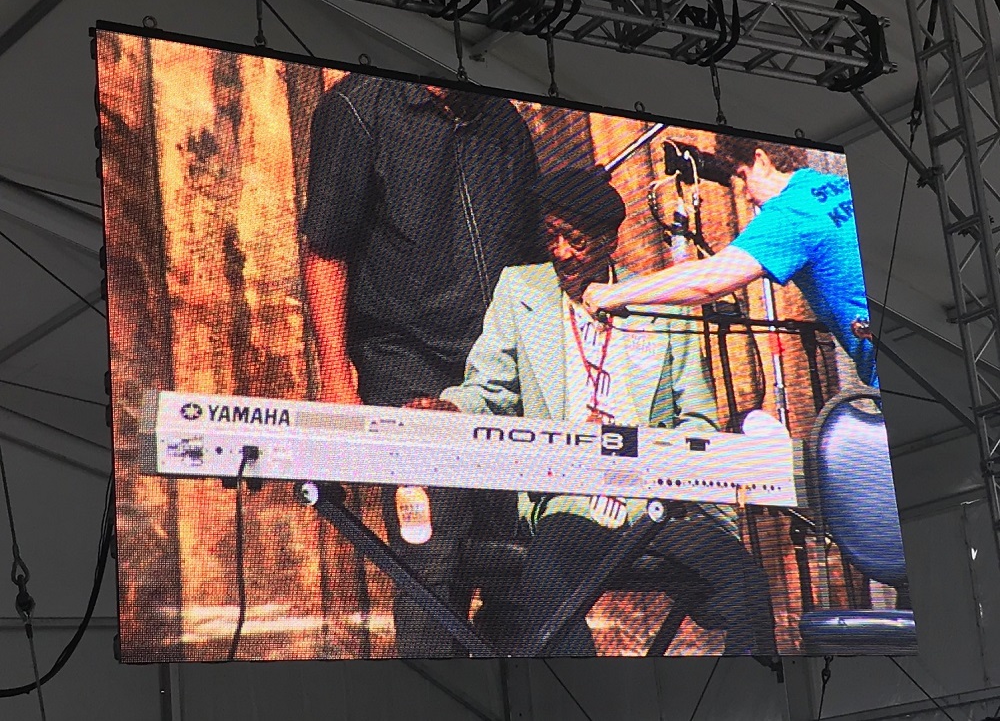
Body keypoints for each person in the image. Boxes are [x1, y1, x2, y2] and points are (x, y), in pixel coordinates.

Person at [411, 166, 775, 656]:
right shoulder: (521, 292)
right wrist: (450, 407)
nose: (560, 252)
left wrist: (671, 475)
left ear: (609, 241)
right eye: (552, 236)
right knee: (549, 614)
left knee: (747, 589)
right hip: (570, 500)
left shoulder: (663, 303)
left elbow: (698, 419)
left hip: (656, 504)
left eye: (576, 241)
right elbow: (489, 391)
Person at [301, 73, 542, 656]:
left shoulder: (503, 120)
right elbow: (324, 249)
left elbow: (535, 257)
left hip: (501, 371)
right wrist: (337, 377)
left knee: (522, 568)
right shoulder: (359, 109)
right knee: (433, 569)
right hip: (405, 362)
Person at [582, 137, 878, 387]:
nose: (746, 195)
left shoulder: (790, 213)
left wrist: (612, 294)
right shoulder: (839, 184)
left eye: (742, 176)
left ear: (761, 161)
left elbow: (709, 282)